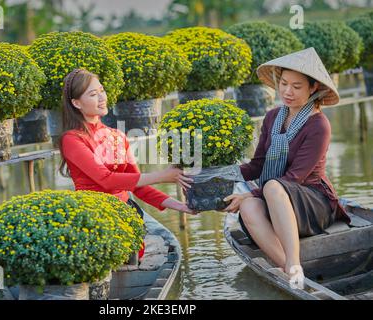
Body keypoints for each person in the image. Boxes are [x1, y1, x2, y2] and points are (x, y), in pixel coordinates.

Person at [223, 48, 351, 282]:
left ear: (314, 88)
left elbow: (294, 177)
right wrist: (220, 174)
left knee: (271, 187)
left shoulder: (318, 125)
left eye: (297, 86)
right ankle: (289, 271)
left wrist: (251, 193)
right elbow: (257, 166)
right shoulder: (273, 117)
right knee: (249, 207)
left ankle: (294, 264)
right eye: (283, 83)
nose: (287, 91)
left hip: (312, 203)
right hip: (277, 200)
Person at [59, 68, 195, 258]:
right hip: (96, 217)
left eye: (102, 91)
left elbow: (139, 187)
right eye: (92, 94)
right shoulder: (72, 139)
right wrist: (163, 176)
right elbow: (106, 180)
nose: (101, 98)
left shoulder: (117, 136)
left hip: (126, 215)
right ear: (76, 103)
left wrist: (180, 206)